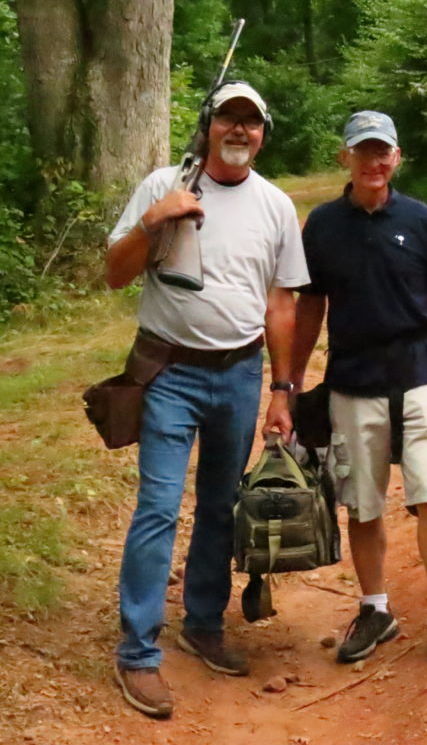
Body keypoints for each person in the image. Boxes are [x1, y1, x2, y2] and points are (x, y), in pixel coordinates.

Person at [105, 82, 309, 716]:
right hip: (169, 373)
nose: (239, 130)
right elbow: (114, 273)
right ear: (208, 125)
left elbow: (281, 303)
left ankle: (202, 623)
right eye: (228, 118)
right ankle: (138, 652)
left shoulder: (275, 205)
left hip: (240, 375)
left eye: (252, 121)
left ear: (263, 134)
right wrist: (155, 219)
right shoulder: (165, 185)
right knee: (159, 507)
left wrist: (282, 389)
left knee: (221, 506)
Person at [291, 111, 427, 665]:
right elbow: (310, 307)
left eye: (382, 152)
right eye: (363, 151)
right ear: (344, 158)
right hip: (353, 382)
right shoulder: (322, 225)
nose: (373, 162)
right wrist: (290, 385)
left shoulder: (421, 220)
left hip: (419, 376)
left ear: (396, 157)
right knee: (362, 501)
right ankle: (375, 609)